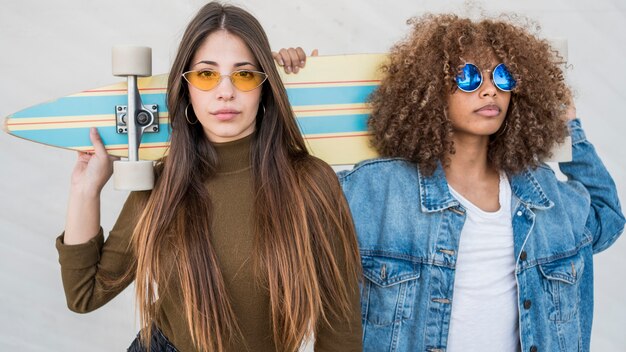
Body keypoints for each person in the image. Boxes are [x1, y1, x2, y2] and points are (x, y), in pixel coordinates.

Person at [276, 13, 625, 352]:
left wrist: (569, 126)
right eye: (469, 77)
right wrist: (283, 99)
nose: (489, 90)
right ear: (430, 90)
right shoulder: (377, 190)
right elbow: (279, 215)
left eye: (502, 77)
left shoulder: (541, 193)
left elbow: (607, 218)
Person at [56, 2, 362, 352]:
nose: (225, 91)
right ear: (186, 88)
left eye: (244, 74)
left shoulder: (310, 182)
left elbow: (340, 327)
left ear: (265, 87)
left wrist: (308, 77)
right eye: (206, 74)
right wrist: (85, 189)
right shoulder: (163, 184)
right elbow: (85, 294)